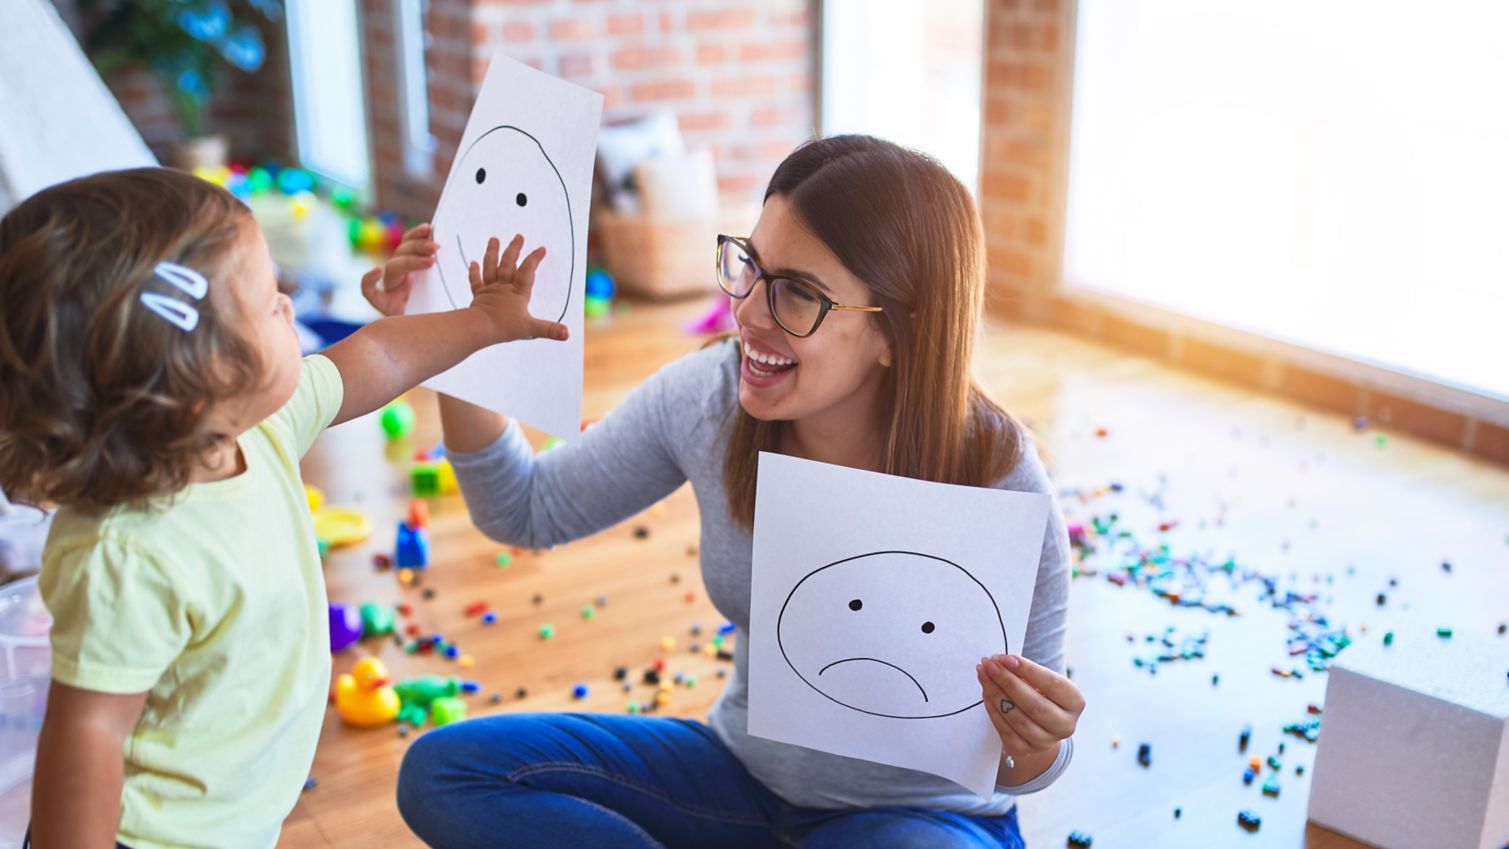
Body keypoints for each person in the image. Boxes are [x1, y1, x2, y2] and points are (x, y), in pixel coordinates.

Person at [379, 135, 1083, 849]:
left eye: (797, 294)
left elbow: (1024, 768)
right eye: (750, 267)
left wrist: (1041, 744)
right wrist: (453, 336)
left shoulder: (1000, 480)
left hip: (921, 821)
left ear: (899, 332)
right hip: (737, 784)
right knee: (447, 770)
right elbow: (524, 507)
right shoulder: (712, 399)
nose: (745, 314)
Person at [0, 167, 566, 849]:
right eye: (270, 300)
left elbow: (379, 354)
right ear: (195, 375)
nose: (290, 306)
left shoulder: (254, 430)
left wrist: (482, 320)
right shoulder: (124, 554)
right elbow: (86, 731)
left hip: (238, 820)